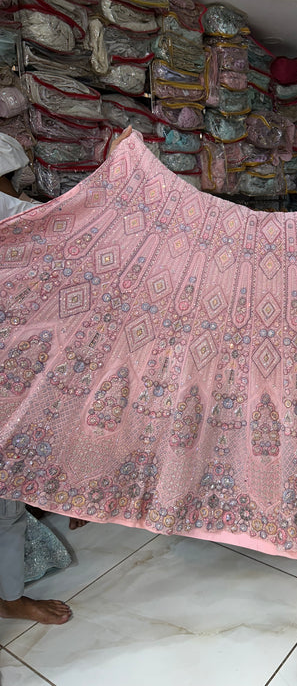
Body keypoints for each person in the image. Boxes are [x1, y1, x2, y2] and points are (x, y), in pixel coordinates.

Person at [0, 128, 132, 624]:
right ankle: (11, 600)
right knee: (6, 502)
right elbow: (77, 228)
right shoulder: (12, 217)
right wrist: (116, 177)